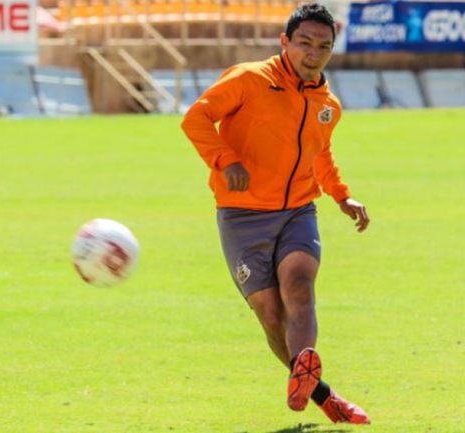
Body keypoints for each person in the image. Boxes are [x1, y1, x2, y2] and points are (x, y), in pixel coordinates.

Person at [180, 3, 370, 425]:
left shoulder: (328, 105)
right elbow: (196, 118)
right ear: (284, 42)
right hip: (241, 216)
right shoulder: (248, 79)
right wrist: (225, 160)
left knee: (299, 284)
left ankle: (305, 368)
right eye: (304, 43)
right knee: (271, 314)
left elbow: (320, 154)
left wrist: (341, 196)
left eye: (323, 45)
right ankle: (322, 393)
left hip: (298, 211)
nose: (313, 53)